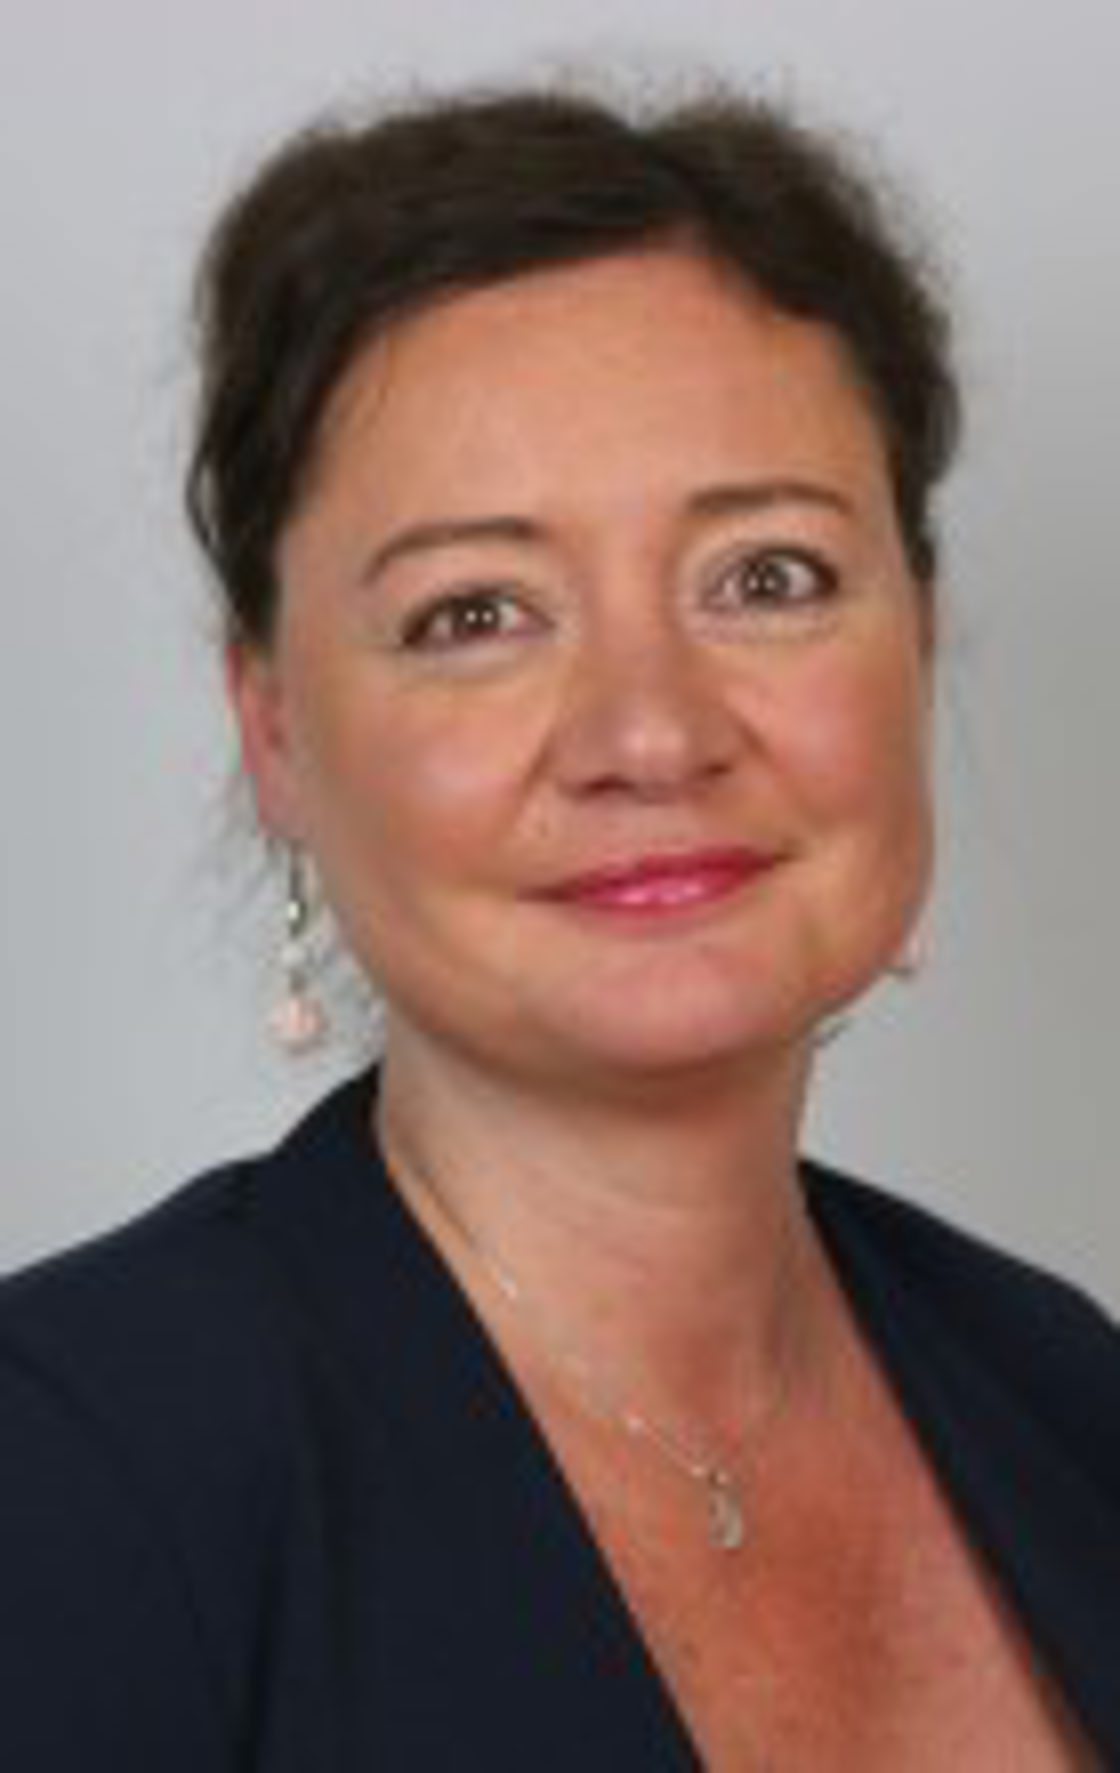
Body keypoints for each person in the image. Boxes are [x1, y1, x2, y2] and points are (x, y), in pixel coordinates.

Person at [1, 82, 1117, 1772]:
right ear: (275, 731)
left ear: (919, 630)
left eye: (766, 576)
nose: (651, 733)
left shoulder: (1066, 1388)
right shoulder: (63, 1481)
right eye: (477, 612)